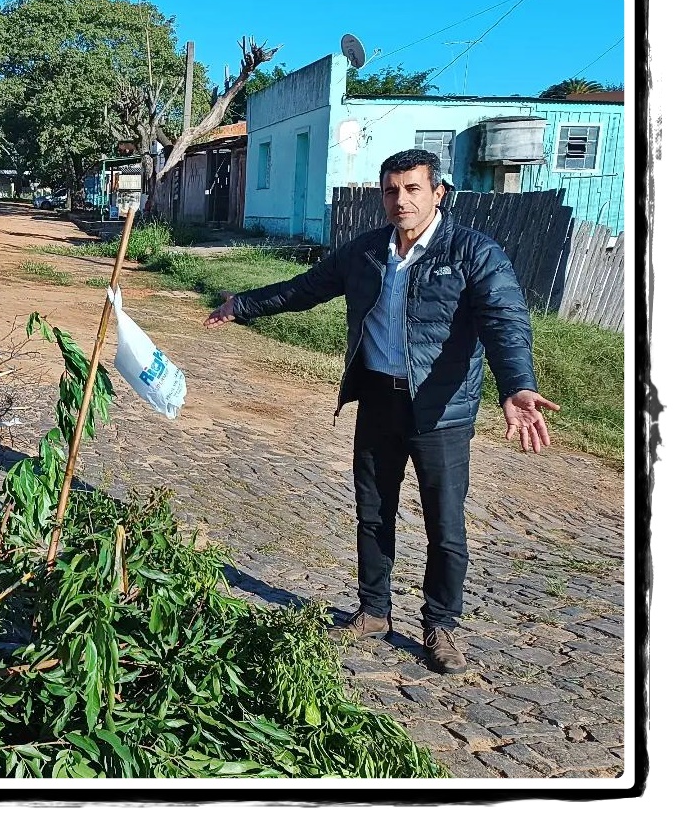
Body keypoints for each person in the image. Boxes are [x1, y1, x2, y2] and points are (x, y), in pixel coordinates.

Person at [204, 148, 560, 675]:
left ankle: (441, 624)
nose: (401, 200)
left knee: (445, 524)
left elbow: (505, 320)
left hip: (441, 412)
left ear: (438, 194)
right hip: (378, 400)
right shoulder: (367, 252)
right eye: (392, 190)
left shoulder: (473, 253)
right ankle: (373, 612)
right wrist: (243, 304)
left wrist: (517, 387)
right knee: (373, 511)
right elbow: (306, 289)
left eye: (413, 189)